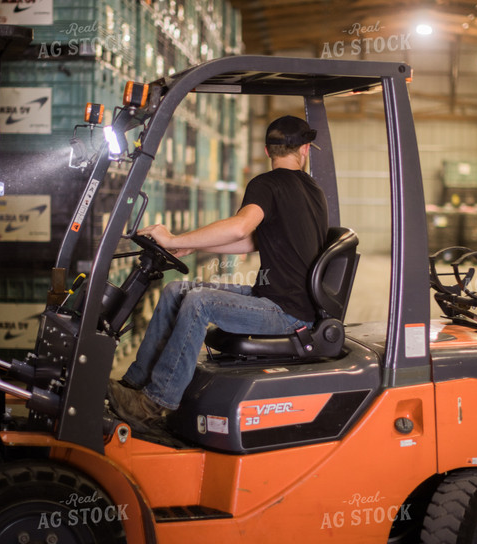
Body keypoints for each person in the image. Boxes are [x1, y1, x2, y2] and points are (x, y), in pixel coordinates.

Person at [108, 115, 329, 432]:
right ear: (305, 149)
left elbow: (240, 226)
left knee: (200, 302)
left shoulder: (266, 184)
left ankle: (154, 404)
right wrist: (193, 246)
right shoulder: (313, 190)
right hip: (278, 299)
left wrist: (173, 240)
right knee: (177, 291)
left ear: (267, 151)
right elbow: (253, 240)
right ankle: (135, 384)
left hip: (288, 313)